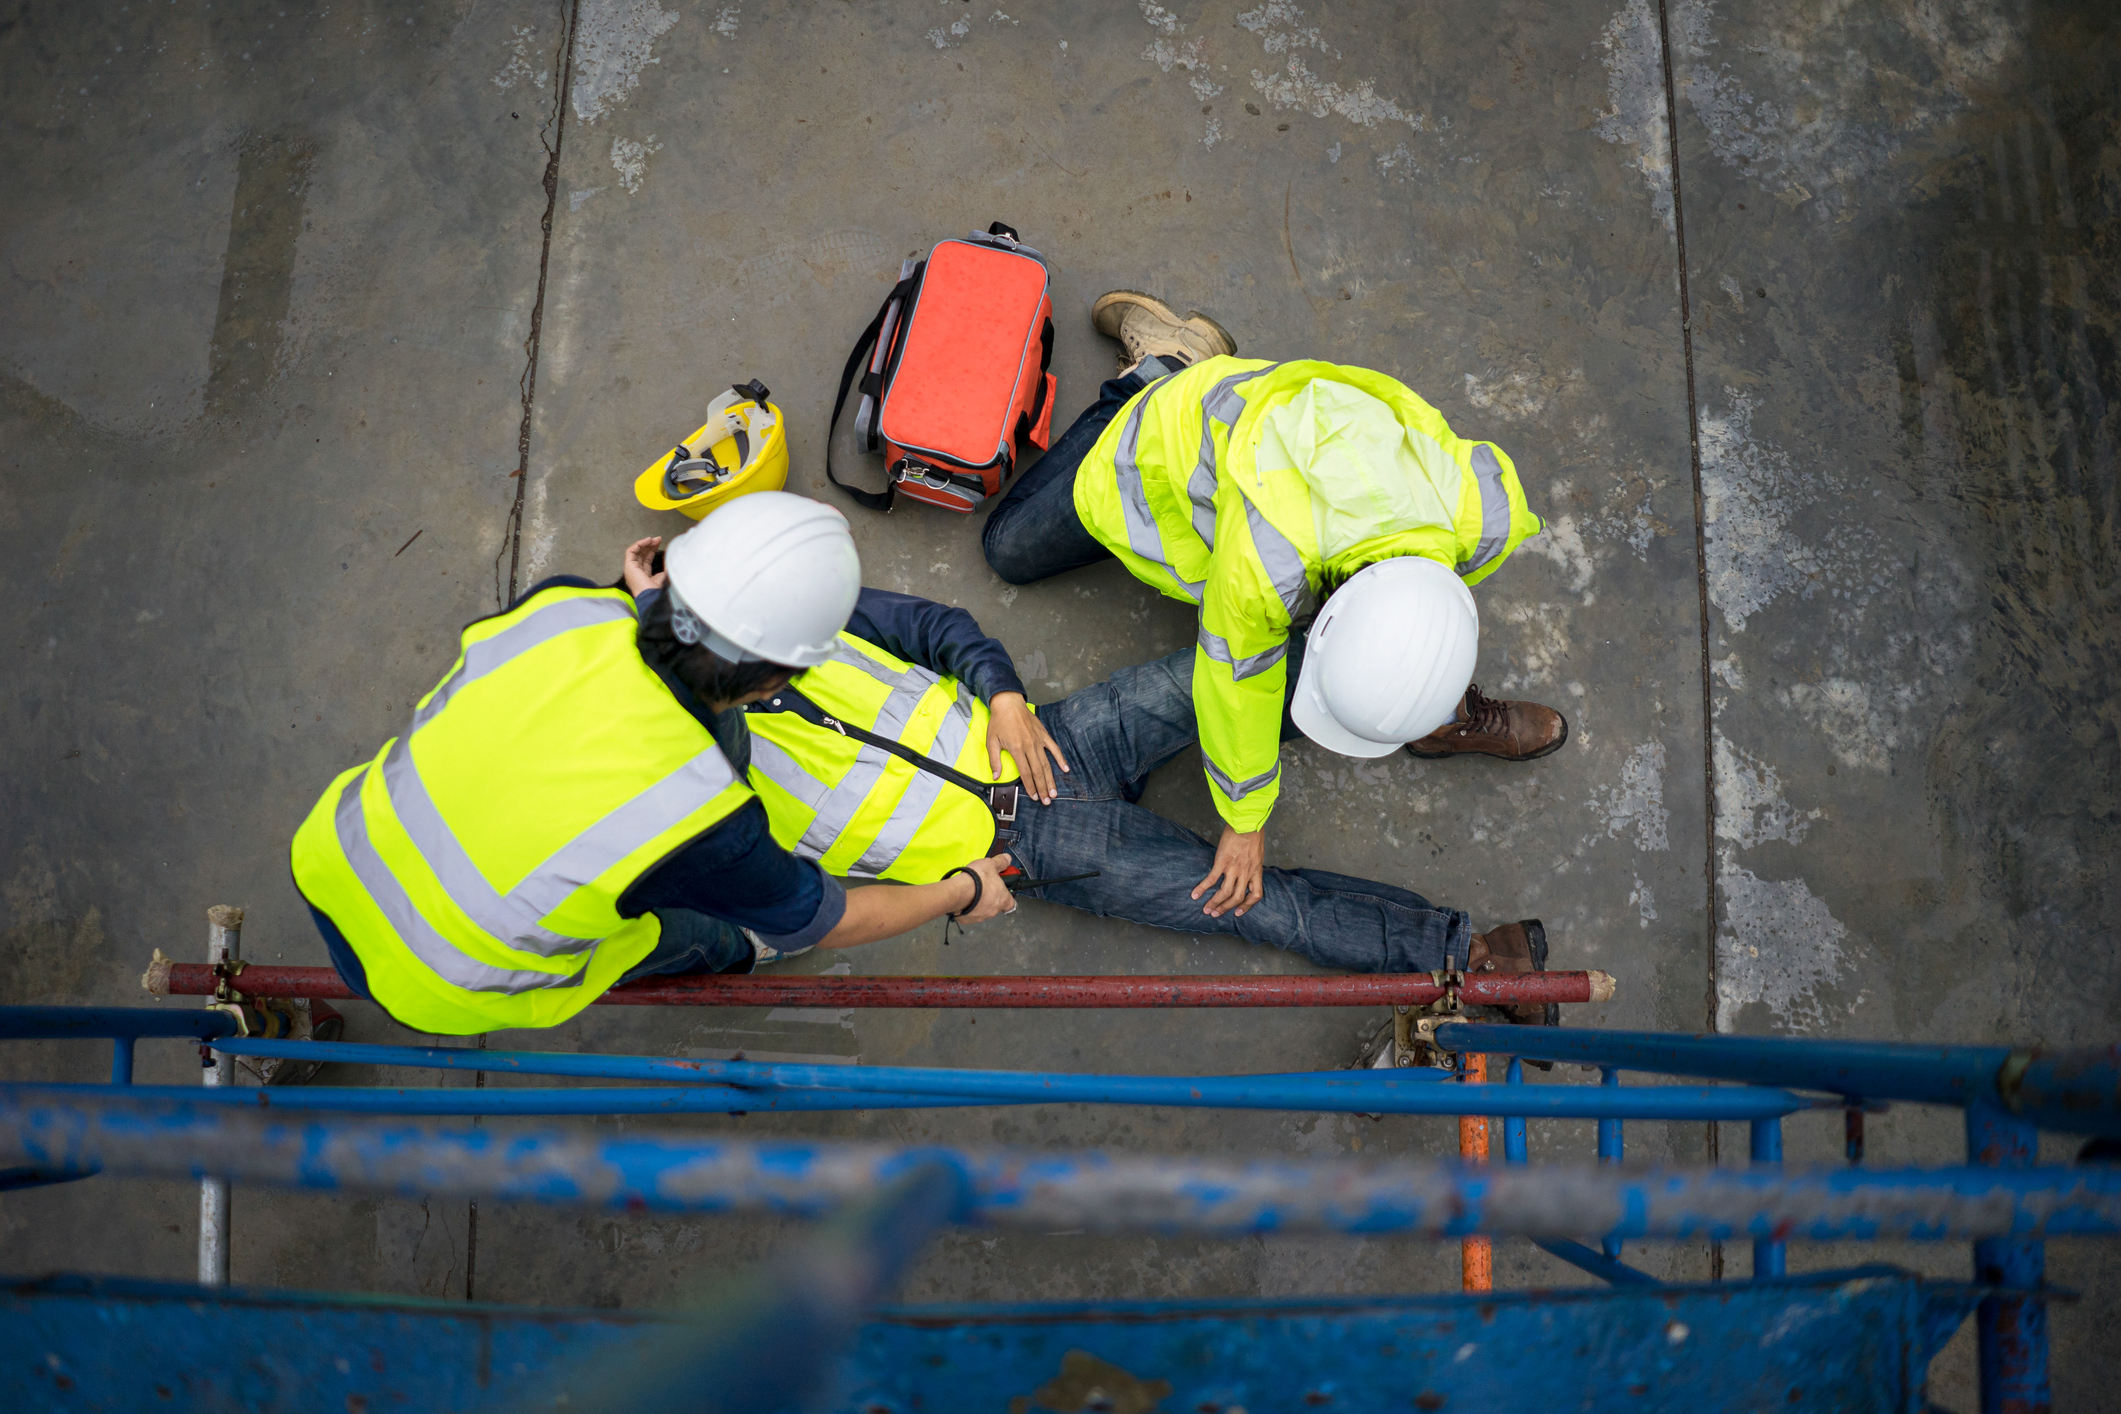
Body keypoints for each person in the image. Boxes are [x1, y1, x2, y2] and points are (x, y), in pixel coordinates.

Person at [634, 556, 1559, 1019]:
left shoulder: (773, 616)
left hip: (1052, 735)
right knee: (1262, 905)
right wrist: (962, 892)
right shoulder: (694, 809)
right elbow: (786, 922)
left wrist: (998, 694)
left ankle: (1417, 708)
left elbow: (931, 625)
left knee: (1233, 677)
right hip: (1031, 852)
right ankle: (1475, 957)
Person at [288, 493, 1017, 1035]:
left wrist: (646, 606)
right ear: (773, 683)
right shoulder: (704, 813)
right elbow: (832, 921)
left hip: (335, 850)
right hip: (443, 978)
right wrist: (961, 890)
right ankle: (737, 950)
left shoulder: (564, 605)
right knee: (691, 926)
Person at [981, 291, 1571, 922]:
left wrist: (1422, 676)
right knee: (1009, 550)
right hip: (1162, 443)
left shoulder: (1484, 514)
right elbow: (1236, 686)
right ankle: (1164, 363)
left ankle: (1439, 713)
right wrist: (1245, 821)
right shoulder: (1264, 568)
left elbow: (1428, 613)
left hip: (1277, 452)